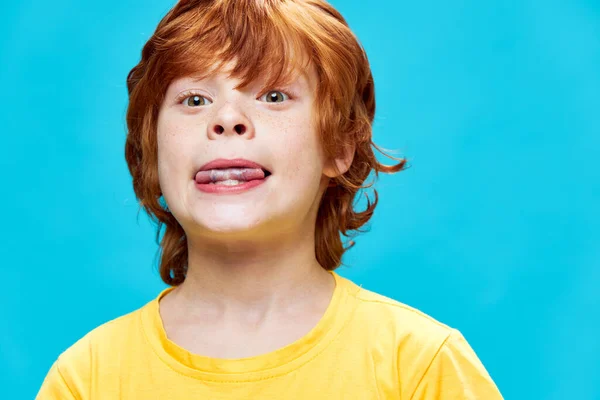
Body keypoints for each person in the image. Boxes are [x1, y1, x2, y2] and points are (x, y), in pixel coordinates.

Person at [37, 0, 503, 398]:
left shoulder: (420, 366)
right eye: (195, 100)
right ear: (153, 152)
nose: (227, 119)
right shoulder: (88, 378)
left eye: (274, 95)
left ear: (339, 146)